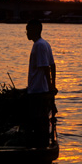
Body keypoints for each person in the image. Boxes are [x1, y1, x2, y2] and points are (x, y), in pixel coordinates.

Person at [25, 19, 58, 147]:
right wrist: (53, 85)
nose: (26, 33)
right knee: (42, 119)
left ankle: (40, 146)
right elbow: (52, 65)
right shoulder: (45, 44)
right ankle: (42, 144)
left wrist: (50, 87)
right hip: (40, 89)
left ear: (35, 30)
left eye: (28, 30)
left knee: (38, 120)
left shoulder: (39, 45)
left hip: (38, 91)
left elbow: (46, 68)